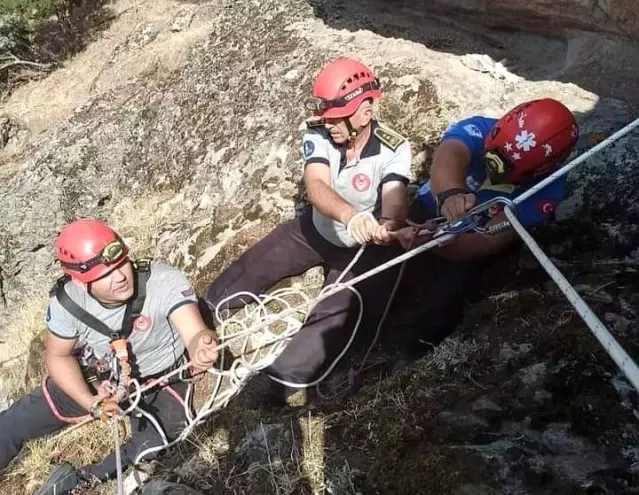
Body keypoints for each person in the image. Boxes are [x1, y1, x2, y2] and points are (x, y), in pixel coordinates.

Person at [204, 57, 413, 403]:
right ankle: (203, 315)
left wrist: (388, 226)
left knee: (331, 316)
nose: (329, 125)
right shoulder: (318, 133)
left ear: (364, 112)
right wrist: (352, 216)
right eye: (326, 117)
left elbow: (394, 197)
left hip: (361, 250)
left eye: (336, 119)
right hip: (316, 230)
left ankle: (281, 382)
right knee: (248, 270)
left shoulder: (394, 147)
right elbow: (316, 186)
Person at [0, 219, 220, 494]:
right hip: (100, 374)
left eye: (122, 264)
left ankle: (79, 480)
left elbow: (194, 331)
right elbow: (58, 357)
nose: (120, 277)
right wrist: (90, 402)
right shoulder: (68, 303)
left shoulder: (163, 281)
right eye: (105, 274)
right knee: (12, 423)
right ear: (80, 283)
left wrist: (202, 344)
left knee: (158, 438)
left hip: (157, 381)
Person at [389, 97, 579, 351]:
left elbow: (487, 240)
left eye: (503, 167)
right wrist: (450, 193)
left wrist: (433, 243)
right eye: (491, 155)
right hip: (427, 211)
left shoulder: (546, 191)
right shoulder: (480, 128)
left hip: (465, 245)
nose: (493, 166)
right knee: (382, 263)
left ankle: (407, 349)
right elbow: (450, 153)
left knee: (443, 301)